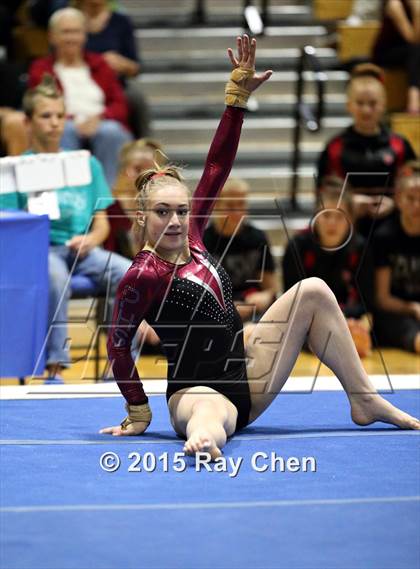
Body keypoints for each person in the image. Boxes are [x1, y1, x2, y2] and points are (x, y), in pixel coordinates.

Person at [102, 36, 419, 457]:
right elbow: (118, 344)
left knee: (314, 291)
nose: (176, 221)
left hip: (246, 368)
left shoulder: (194, 234)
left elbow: (217, 165)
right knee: (210, 416)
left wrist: (236, 99)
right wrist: (139, 409)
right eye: (163, 212)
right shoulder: (143, 274)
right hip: (195, 391)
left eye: (181, 210)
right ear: (142, 218)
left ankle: (362, 397)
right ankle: (204, 440)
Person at [0, 75, 131, 382]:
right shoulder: (14, 169)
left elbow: (101, 221)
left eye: (60, 116)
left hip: (84, 250)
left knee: (130, 276)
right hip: (41, 254)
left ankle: (120, 364)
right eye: (46, 116)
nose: (55, 123)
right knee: (55, 278)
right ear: (28, 122)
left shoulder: (86, 164)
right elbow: (11, 227)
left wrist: (91, 239)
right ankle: (54, 366)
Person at [28, 7, 132, 186]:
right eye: (65, 32)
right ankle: (69, 190)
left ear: (84, 35)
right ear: (52, 36)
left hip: (101, 121)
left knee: (112, 132)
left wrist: (100, 118)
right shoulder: (41, 68)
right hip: (64, 121)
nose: (71, 38)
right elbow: (40, 105)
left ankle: (107, 197)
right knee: (62, 129)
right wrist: (72, 120)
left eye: (76, 32)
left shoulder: (100, 64)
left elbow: (119, 104)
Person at [317, 63, 416, 236]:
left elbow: (414, 187)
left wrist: (395, 203)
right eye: (360, 103)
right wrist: (349, 203)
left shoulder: (399, 145)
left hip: (394, 229)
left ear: (383, 105)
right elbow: (322, 193)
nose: (366, 109)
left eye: (372, 103)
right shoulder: (335, 148)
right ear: (349, 105)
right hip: (348, 229)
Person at [283, 177, 374, 358]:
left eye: (339, 216)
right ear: (316, 217)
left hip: (349, 319)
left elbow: (366, 300)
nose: (332, 223)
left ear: (350, 220)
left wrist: (347, 319)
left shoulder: (361, 248)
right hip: (308, 320)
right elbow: (291, 298)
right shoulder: (298, 246)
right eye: (326, 215)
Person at [203, 177, 278, 324]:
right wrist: (229, 308)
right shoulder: (203, 241)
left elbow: (271, 289)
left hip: (252, 313)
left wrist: (264, 297)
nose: (237, 211)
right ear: (216, 205)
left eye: (241, 204)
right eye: (230, 206)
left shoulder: (257, 238)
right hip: (215, 314)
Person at [76, 0, 151, 139]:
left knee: (136, 98)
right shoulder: (70, 20)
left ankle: (144, 147)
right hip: (77, 82)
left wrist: (119, 62)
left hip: (113, 84)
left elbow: (135, 68)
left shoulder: (121, 22)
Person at [373, 160, 420, 353]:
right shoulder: (384, 237)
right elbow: (382, 298)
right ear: (399, 199)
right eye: (411, 198)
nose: (417, 205)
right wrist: (413, 308)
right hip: (396, 314)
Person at [372, 0, 420, 114]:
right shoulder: (394, 4)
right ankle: (413, 98)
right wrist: (418, 11)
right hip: (385, 52)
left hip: (408, 53)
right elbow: (412, 38)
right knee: (416, 50)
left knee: (416, 52)